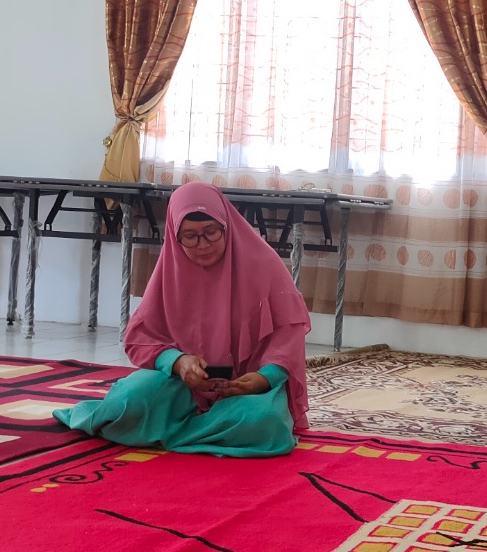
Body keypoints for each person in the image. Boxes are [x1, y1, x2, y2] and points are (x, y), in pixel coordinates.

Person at [53, 182, 311, 455]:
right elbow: (140, 337)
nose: (203, 245)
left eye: (211, 232)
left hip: (245, 390)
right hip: (180, 386)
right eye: (190, 236)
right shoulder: (170, 270)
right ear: (174, 235)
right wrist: (178, 362)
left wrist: (263, 378)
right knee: (125, 404)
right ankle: (204, 432)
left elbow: (288, 333)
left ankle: (163, 431)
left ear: (227, 226)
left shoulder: (263, 263)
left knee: (264, 422)